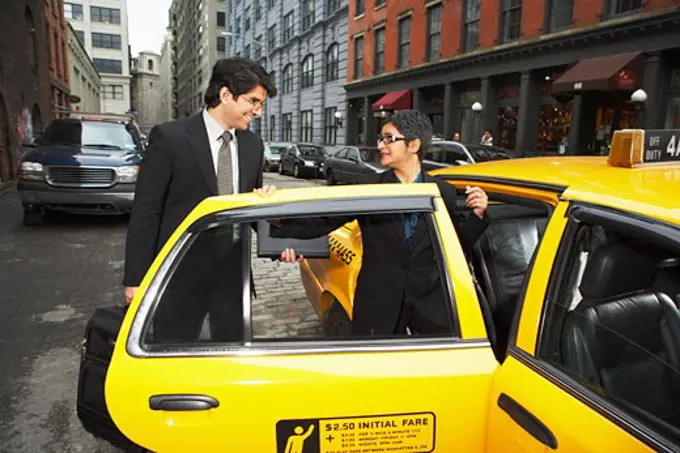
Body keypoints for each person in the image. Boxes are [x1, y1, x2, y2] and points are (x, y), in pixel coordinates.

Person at [259, 110, 490, 337]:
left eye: (389, 139)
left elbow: (456, 247)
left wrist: (477, 215)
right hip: (378, 306)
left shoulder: (443, 192)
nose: (380, 145)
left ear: (414, 145)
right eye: (381, 139)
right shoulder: (371, 188)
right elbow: (324, 221)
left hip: (429, 309)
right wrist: (277, 216)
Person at [122, 57, 277, 341]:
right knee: (174, 358)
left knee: (228, 360)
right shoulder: (170, 138)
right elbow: (146, 212)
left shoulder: (253, 146)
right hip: (178, 277)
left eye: (261, 104)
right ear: (225, 95)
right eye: (253, 101)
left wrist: (282, 234)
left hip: (232, 279)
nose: (258, 111)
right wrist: (135, 279)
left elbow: (249, 210)